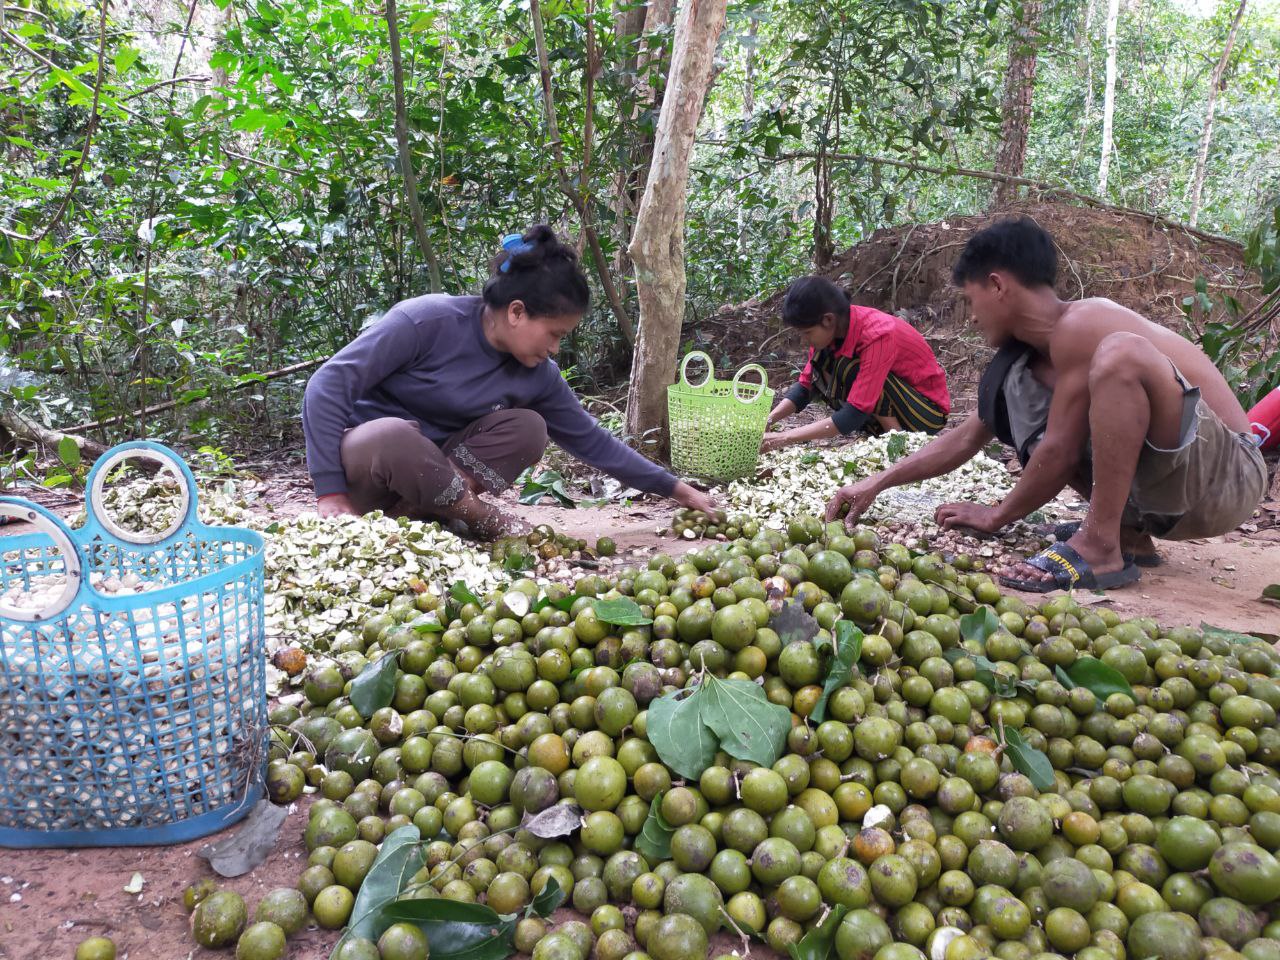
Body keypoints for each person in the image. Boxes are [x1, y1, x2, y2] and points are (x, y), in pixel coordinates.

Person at [825, 217, 1267, 592]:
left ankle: (1100, 546)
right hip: (1172, 496)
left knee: (1121, 355)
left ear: (997, 285)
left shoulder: (1083, 321)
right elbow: (965, 438)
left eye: (970, 300)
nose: (973, 317)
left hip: (1228, 479)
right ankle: (1126, 536)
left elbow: (1057, 452)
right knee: (1014, 387)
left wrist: (997, 515)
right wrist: (877, 482)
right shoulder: (1030, 357)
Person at [302, 225, 717, 539]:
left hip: (428, 483)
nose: (555, 349)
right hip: (368, 472)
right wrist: (330, 493)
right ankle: (478, 516)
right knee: (392, 434)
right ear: (517, 312)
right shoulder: (424, 321)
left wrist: (676, 489)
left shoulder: (538, 374)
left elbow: (593, 442)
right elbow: (326, 387)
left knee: (529, 428)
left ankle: (427, 514)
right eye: (554, 334)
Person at [762, 276, 950, 452]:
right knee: (826, 363)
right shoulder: (827, 340)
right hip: (895, 407)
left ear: (828, 319)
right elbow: (806, 387)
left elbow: (856, 412)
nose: (804, 341)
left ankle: (899, 444)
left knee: (850, 368)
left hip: (926, 413)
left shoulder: (878, 334)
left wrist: (784, 437)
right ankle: (886, 438)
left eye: (807, 333)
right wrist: (767, 421)